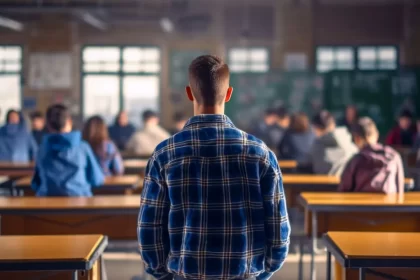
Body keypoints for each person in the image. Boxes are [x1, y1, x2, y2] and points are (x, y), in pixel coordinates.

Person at [138, 55, 290, 280]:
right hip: (245, 274)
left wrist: (162, 272)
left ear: (189, 92)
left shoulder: (165, 153)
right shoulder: (260, 153)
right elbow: (278, 226)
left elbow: (150, 226)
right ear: (229, 94)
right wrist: (264, 271)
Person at [31, 104, 104, 196]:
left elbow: (35, 184)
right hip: (79, 202)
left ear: (48, 125)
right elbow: (97, 180)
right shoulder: (83, 148)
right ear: (69, 122)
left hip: (47, 204)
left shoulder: (42, 149)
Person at [339, 117, 404, 193]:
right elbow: (400, 188)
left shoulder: (356, 161)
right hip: (389, 204)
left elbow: (344, 190)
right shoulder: (394, 156)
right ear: (377, 135)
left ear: (357, 139)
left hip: (360, 204)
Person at [305, 110, 358, 176]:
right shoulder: (347, 140)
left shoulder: (318, 144)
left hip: (323, 185)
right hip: (348, 184)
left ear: (316, 128)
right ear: (333, 124)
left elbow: (309, 163)